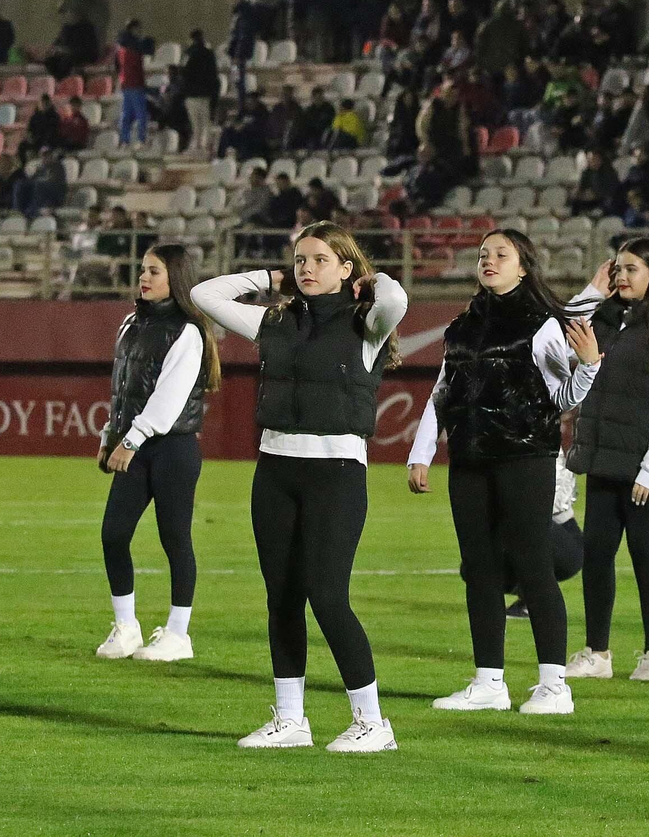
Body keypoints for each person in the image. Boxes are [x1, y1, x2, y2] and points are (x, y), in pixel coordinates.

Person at [191, 222, 409, 752]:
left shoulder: (368, 323)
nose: (306, 268)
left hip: (335, 473)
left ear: (345, 269)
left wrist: (370, 279)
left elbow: (397, 296)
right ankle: (291, 719)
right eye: (300, 260)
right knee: (282, 596)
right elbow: (204, 294)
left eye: (318, 260)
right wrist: (268, 275)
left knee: (328, 597)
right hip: (275, 470)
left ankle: (373, 723)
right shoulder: (275, 320)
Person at [407, 229, 601, 716]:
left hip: (526, 458)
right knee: (479, 569)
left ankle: (554, 686)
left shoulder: (542, 325)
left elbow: (562, 398)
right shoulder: (462, 325)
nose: (488, 260)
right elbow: (442, 391)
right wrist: (421, 451)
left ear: (523, 267)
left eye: (500, 254)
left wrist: (591, 365)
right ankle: (489, 681)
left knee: (534, 564)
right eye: (482, 255)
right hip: (469, 460)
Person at [561, 244, 649, 683]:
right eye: (617, 268)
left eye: (631, 269)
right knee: (597, 553)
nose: (621, 276)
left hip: (645, 467)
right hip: (605, 459)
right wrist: (591, 292)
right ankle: (597, 653)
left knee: (644, 553)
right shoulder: (605, 318)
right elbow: (552, 334)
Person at [94, 245, 222, 663]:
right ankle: (126, 627)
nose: (144, 277)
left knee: (175, 539)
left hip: (172, 448)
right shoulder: (130, 323)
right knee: (113, 534)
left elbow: (168, 401)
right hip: (133, 442)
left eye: (154, 271)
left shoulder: (187, 331)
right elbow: (123, 389)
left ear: (177, 279)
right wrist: (109, 434)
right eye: (142, 270)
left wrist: (130, 441)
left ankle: (178, 634)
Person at [497, 454, 585, 620]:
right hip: (555, 535)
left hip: (564, 540)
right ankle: (528, 598)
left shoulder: (538, 443)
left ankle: (537, 600)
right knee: (474, 567)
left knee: (523, 527)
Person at [116, 20, 155, 146]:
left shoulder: (121, 45)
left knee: (126, 114)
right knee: (141, 114)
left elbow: (117, 66)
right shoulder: (135, 45)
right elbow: (148, 49)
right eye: (138, 29)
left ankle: (124, 140)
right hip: (135, 83)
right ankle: (141, 139)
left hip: (125, 83)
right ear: (133, 29)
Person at [180, 29, 219, 148]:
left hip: (192, 94)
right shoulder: (209, 53)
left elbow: (183, 72)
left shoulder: (188, 53)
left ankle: (197, 145)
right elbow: (213, 74)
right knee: (206, 121)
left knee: (195, 124)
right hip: (206, 93)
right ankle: (206, 145)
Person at [24, 94, 63, 158]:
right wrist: (29, 137)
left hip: (49, 141)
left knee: (45, 147)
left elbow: (54, 132)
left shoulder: (54, 116)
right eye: (42, 103)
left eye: (45, 103)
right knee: (22, 146)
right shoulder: (35, 116)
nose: (43, 105)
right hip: (36, 140)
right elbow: (30, 129)